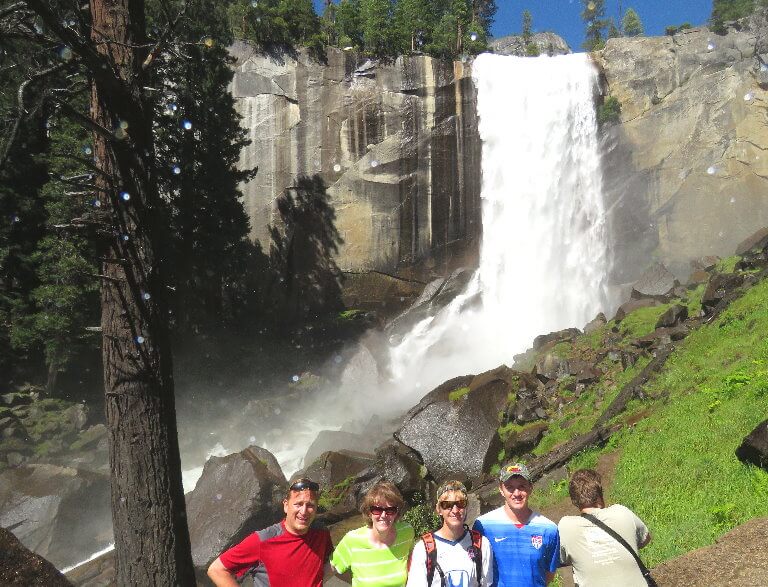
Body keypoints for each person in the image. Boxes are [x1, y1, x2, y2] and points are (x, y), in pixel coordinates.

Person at [207, 477, 332, 586]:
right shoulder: (263, 540)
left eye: (310, 505)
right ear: (286, 505)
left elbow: (331, 563)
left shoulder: (321, 533)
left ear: (316, 508)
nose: (304, 511)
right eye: (298, 504)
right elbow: (217, 570)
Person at [558, 469, 651, 587]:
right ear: (600, 493)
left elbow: (559, 559)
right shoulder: (622, 512)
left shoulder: (566, 526)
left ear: (574, 501)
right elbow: (645, 539)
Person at [472, 463, 559, 587]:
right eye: (510, 487)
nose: (516, 493)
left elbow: (549, 574)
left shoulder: (549, 529)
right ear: (501, 490)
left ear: (530, 487)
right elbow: (476, 569)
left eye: (522, 486)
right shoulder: (484, 526)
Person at [406, 480, 494, 587]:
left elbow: (486, 584)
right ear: (439, 509)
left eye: (460, 504)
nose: (455, 510)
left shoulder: (481, 544)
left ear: (466, 507)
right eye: (447, 505)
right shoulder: (424, 548)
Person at [330, 480, 415, 586]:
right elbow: (332, 569)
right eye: (377, 510)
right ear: (369, 512)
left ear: (397, 512)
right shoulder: (352, 540)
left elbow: (413, 561)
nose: (383, 515)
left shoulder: (406, 532)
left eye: (390, 510)